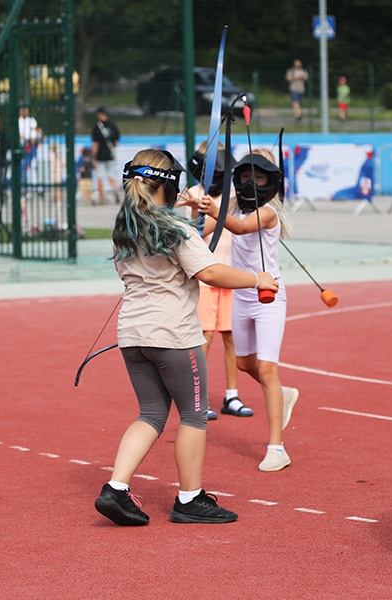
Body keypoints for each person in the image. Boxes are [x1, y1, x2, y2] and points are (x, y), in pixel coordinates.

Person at [94, 148, 278, 527]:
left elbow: (177, 247)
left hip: (133, 335)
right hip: (174, 335)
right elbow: (210, 272)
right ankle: (190, 499)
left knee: (151, 414)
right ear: (168, 185)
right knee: (193, 415)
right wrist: (256, 278)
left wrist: (196, 212)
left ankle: (115, 488)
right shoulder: (172, 228)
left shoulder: (125, 227)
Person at [194, 148, 300, 473]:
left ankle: (276, 447)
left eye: (260, 175)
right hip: (242, 295)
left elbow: (239, 228)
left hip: (268, 295)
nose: (251, 181)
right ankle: (281, 394)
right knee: (243, 363)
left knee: (266, 369)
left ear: (272, 180)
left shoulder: (267, 213)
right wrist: (196, 213)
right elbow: (204, 232)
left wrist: (216, 209)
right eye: (245, 175)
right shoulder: (232, 207)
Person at [185, 142, 243, 421]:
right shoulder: (193, 195)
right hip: (207, 278)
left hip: (231, 273)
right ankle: (199, 397)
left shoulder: (234, 194)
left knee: (232, 337)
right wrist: (203, 210)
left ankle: (232, 395)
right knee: (205, 336)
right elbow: (195, 232)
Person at [92, 106, 121, 204]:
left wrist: (94, 157)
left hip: (100, 155)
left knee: (100, 177)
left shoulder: (97, 127)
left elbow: (96, 144)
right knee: (111, 176)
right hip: (110, 155)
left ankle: (101, 198)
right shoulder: (112, 125)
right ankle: (115, 191)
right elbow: (116, 142)